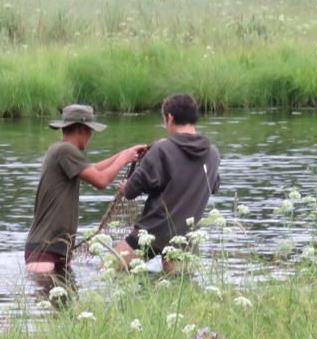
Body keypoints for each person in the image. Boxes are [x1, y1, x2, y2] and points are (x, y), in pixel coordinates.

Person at [24, 104, 146, 274]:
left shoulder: (61, 151)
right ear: (82, 129)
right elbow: (101, 181)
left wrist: (123, 154)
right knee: (46, 295)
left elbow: (94, 169)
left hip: (58, 249)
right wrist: (123, 159)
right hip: (44, 249)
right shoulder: (65, 150)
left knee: (65, 299)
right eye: (90, 131)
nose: (91, 137)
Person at [115, 93, 221, 268]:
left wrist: (125, 187)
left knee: (110, 272)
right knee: (176, 289)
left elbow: (132, 191)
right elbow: (214, 186)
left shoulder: (162, 149)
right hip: (186, 238)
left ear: (170, 117)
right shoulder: (213, 153)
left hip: (152, 232)